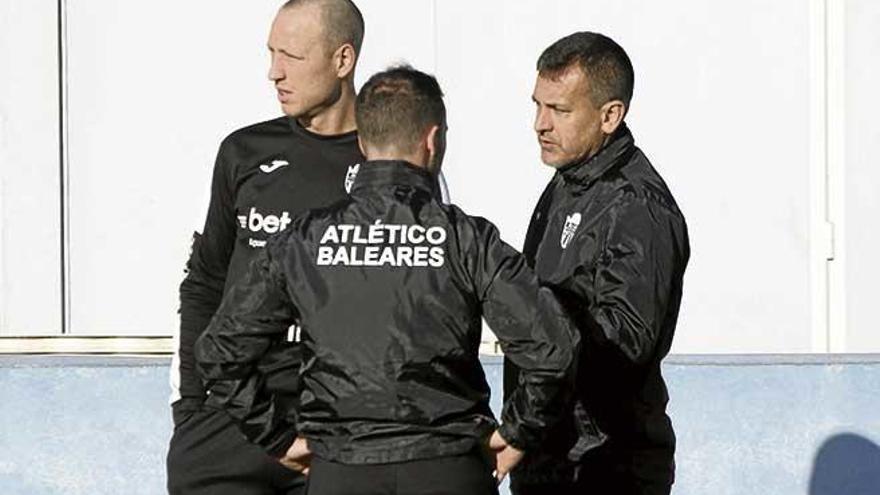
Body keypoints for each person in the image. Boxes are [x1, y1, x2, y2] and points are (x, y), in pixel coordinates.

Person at [195, 65, 580, 495]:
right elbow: (553, 349)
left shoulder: (304, 240)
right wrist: (517, 433)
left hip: (342, 470)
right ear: (433, 140)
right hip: (449, 468)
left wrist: (276, 437)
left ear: (362, 143)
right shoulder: (466, 238)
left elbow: (220, 350)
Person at [166, 1, 366, 494]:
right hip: (232, 421)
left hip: (338, 432)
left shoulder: (391, 161)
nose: (274, 72)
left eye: (292, 57)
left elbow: (431, 298)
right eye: (271, 53)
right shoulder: (243, 153)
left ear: (343, 61)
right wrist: (190, 406)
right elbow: (203, 283)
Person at [504, 32, 690, 495]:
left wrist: (533, 316)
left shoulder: (636, 206)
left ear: (610, 115)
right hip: (550, 455)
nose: (540, 124)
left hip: (606, 467)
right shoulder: (568, 180)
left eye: (560, 110)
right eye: (538, 105)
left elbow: (627, 341)